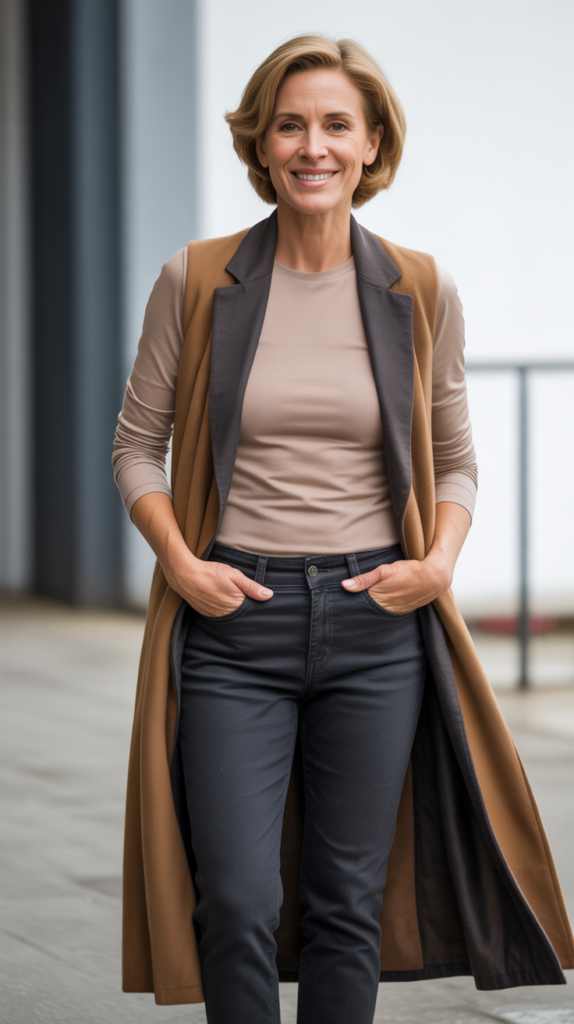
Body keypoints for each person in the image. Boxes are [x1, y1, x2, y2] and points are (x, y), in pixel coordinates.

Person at [113, 35, 573, 1024]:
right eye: (289, 124)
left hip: (376, 624)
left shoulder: (418, 287)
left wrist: (436, 564)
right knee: (234, 898)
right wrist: (184, 564)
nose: (310, 145)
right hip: (236, 619)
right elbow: (135, 446)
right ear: (260, 142)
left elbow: (455, 456)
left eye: (334, 125)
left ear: (371, 145)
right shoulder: (195, 281)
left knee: (347, 902)